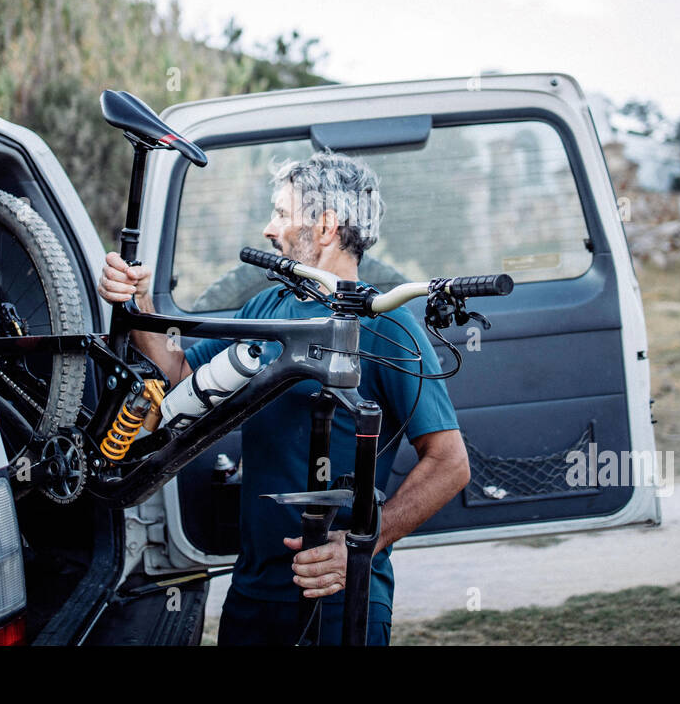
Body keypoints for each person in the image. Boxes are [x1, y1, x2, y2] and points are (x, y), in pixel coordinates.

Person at [98, 151, 470, 645]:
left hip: (340, 592)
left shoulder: (388, 326)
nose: (269, 228)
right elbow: (183, 374)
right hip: (253, 591)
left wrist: (365, 542)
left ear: (325, 226)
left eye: (280, 213)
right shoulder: (268, 304)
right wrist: (140, 302)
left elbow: (449, 463)